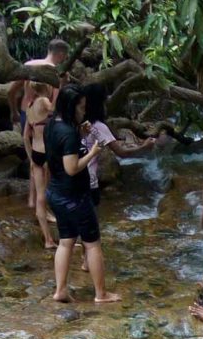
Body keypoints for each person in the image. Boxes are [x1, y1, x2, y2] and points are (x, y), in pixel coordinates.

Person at [45, 84, 120, 303]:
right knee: (92, 243)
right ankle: (101, 294)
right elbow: (72, 167)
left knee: (66, 241)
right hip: (74, 197)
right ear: (71, 107)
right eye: (81, 108)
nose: (84, 112)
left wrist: (80, 133)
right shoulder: (68, 133)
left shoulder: (53, 125)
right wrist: (94, 152)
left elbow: (61, 151)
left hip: (56, 194)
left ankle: (60, 290)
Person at [8, 38, 69, 208]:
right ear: (61, 54)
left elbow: (11, 91)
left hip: (26, 113)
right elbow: (55, 104)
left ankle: (31, 199)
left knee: (32, 157)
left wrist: (13, 111)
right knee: (44, 160)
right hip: (44, 118)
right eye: (65, 56)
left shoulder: (29, 65)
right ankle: (43, 200)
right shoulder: (54, 72)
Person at [81, 83, 156, 208]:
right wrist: (145, 146)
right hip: (89, 181)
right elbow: (122, 153)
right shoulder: (99, 127)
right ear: (99, 104)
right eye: (104, 101)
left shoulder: (77, 122)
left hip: (73, 178)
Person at [23, 81, 57, 249]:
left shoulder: (29, 107)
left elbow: (25, 137)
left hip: (36, 153)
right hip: (48, 153)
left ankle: (48, 239)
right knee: (47, 194)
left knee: (40, 197)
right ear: (47, 87)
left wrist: (30, 157)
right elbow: (57, 110)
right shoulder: (44, 101)